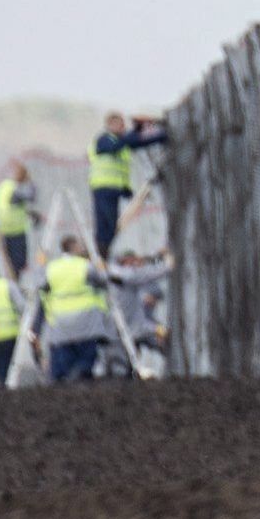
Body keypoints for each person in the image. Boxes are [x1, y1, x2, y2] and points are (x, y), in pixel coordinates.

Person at [88, 113, 166, 258]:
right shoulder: (104, 140)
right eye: (119, 124)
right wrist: (136, 130)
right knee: (107, 224)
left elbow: (137, 142)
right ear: (109, 125)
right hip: (103, 187)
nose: (123, 127)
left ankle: (105, 251)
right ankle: (102, 252)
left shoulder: (121, 143)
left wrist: (159, 136)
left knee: (112, 225)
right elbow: (116, 147)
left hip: (115, 188)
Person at [39, 237, 112, 383]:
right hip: (85, 317)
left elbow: (42, 286)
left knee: (63, 353)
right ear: (73, 247)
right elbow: (102, 280)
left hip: (60, 317)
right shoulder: (84, 265)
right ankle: (80, 375)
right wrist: (102, 268)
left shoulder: (52, 267)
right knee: (86, 354)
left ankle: (62, 379)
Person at [0, 163, 36, 276]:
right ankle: (15, 286)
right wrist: (31, 182)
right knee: (18, 264)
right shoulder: (13, 188)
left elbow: (13, 206)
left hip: (4, 229)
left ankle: (13, 281)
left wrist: (30, 214)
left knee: (9, 263)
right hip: (15, 231)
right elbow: (30, 197)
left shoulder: (4, 187)